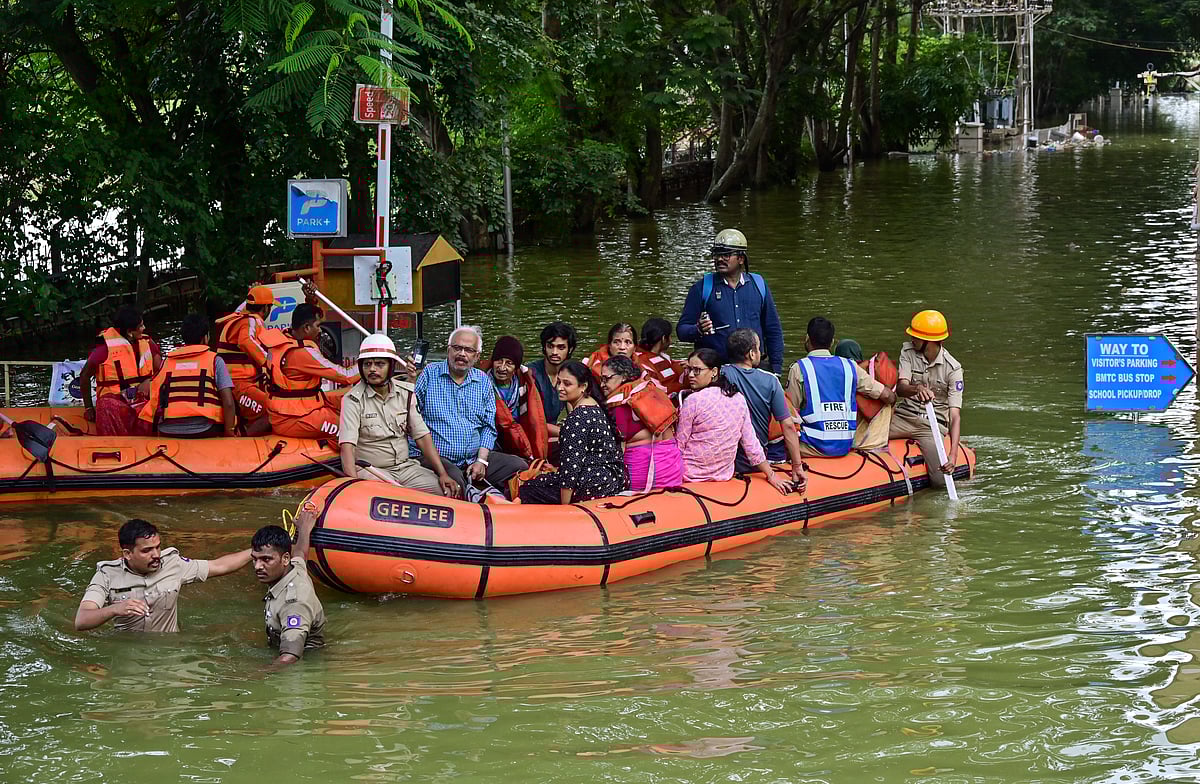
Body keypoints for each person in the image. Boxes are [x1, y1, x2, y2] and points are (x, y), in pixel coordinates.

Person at [74, 518, 250, 633]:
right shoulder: (107, 575)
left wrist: (257, 550)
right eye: (147, 550)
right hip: (130, 655)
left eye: (157, 547)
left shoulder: (173, 563)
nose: (156, 555)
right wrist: (114, 609)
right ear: (128, 554)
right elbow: (81, 620)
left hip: (170, 652)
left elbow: (219, 566)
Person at [414, 325, 528, 495]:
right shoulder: (430, 374)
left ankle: (476, 483)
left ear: (477, 356)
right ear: (448, 349)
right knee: (456, 484)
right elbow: (412, 419)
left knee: (519, 465)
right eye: (457, 348)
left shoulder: (482, 381)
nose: (462, 354)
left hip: (473, 458)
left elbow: (489, 428)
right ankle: (470, 492)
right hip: (437, 458)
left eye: (468, 350)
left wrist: (482, 461)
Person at [338, 334, 457, 496]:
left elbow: (422, 437)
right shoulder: (352, 400)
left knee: (446, 492)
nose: (372, 369)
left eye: (379, 364)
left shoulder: (406, 394)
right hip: (372, 470)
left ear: (391, 366)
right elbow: (347, 448)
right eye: (367, 364)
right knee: (391, 497)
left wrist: (443, 474)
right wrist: (352, 487)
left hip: (406, 468)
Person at [676, 349, 792, 493]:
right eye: (689, 370)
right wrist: (772, 475)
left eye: (697, 370)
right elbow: (752, 445)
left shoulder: (693, 401)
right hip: (723, 476)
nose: (691, 375)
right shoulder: (738, 399)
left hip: (690, 476)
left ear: (714, 372)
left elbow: (679, 445)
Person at [518, 361, 630, 504]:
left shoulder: (577, 418)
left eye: (567, 384)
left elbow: (571, 469)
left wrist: (566, 507)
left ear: (583, 386)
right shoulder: (594, 406)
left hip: (592, 484)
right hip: (612, 480)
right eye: (558, 382)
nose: (560, 388)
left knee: (528, 489)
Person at [677, 229, 785, 373]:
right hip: (716, 372)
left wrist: (776, 370)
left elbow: (773, 330)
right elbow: (682, 330)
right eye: (717, 254)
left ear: (741, 259)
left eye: (726, 255)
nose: (719, 259)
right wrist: (698, 330)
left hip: (755, 369)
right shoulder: (702, 288)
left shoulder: (758, 285)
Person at [785, 317, 895, 458]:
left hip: (812, 445)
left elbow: (790, 412)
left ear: (807, 339)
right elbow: (886, 395)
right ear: (832, 342)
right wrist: (893, 400)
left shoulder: (798, 368)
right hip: (845, 444)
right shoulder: (850, 366)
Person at [720, 328, 806, 488]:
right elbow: (787, 426)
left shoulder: (719, 374)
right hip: (754, 463)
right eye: (758, 348)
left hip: (724, 461)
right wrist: (797, 466)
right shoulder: (770, 381)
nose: (760, 352)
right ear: (751, 354)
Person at [889, 310, 963, 487]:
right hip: (904, 417)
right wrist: (917, 389)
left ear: (929, 342)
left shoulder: (953, 369)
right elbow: (900, 388)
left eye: (916, 337)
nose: (912, 340)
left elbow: (954, 416)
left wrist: (953, 454)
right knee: (865, 440)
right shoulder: (907, 351)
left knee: (940, 481)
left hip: (931, 427)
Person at [264, 303, 359, 439]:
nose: (320, 331)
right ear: (307, 328)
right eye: (318, 326)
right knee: (350, 429)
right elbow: (346, 376)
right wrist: (368, 361)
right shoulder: (302, 353)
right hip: (295, 419)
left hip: (285, 412)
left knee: (344, 397)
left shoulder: (282, 340)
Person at [138, 313, 237, 438]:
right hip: (205, 428)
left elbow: (154, 396)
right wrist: (229, 431)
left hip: (167, 429)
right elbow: (228, 402)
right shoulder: (215, 360)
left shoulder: (168, 361)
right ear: (205, 338)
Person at [600, 354, 684, 491]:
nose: (602, 384)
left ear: (624, 376)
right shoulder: (652, 389)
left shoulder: (619, 404)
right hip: (673, 469)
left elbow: (612, 447)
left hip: (642, 475)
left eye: (606, 379)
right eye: (601, 379)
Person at [79, 305, 161, 436]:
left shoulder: (148, 343)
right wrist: (89, 407)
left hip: (143, 400)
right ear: (129, 332)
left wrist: (150, 381)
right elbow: (84, 376)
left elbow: (161, 371)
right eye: (140, 326)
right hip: (116, 403)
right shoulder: (103, 349)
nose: (144, 328)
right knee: (106, 406)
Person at [253, 518, 324, 666]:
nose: (258, 566)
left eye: (266, 559)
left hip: (305, 665)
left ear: (285, 558)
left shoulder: (294, 603)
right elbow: (300, 553)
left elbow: (290, 656)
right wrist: (304, 528)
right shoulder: (293, 568)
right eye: (255, 559)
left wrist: (253, 679)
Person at [214, 285, 277, 435]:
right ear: (267, 308)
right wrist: (271, 365)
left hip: (234, 384)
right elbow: (245, 340)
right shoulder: (252, 321)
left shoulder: (238, 318)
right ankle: (243, 440)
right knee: (275, 410)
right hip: (238, 385)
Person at [485, 336, 550, 460]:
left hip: (518, 441)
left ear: (516, 368)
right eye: (499, 360)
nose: (502, 367)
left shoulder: (524, 384)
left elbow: (535, 420)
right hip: (493, 444)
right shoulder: (482, 384)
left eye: (509, 363)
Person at [834, 338, 899, 451]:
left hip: (858, 442)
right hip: (878, 440)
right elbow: (888, 397)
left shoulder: (841, 376)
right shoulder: (873, 376)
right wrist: (893, 399)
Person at [527, 322, 577, 440]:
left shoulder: (571, 374)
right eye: (550, 346)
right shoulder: (531, 374)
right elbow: (533, 422)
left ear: (570, 349)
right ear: (544, 347)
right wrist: (568, 433)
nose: (554, 352)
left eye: (561, 347)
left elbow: (574, 408)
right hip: (533, 436)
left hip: (554, 434)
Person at [635, 317, 685, 394]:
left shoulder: (635, 353)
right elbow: (670, 387)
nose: (671, 341)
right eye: (670, 336)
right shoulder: (660, 364)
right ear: (664, 338)